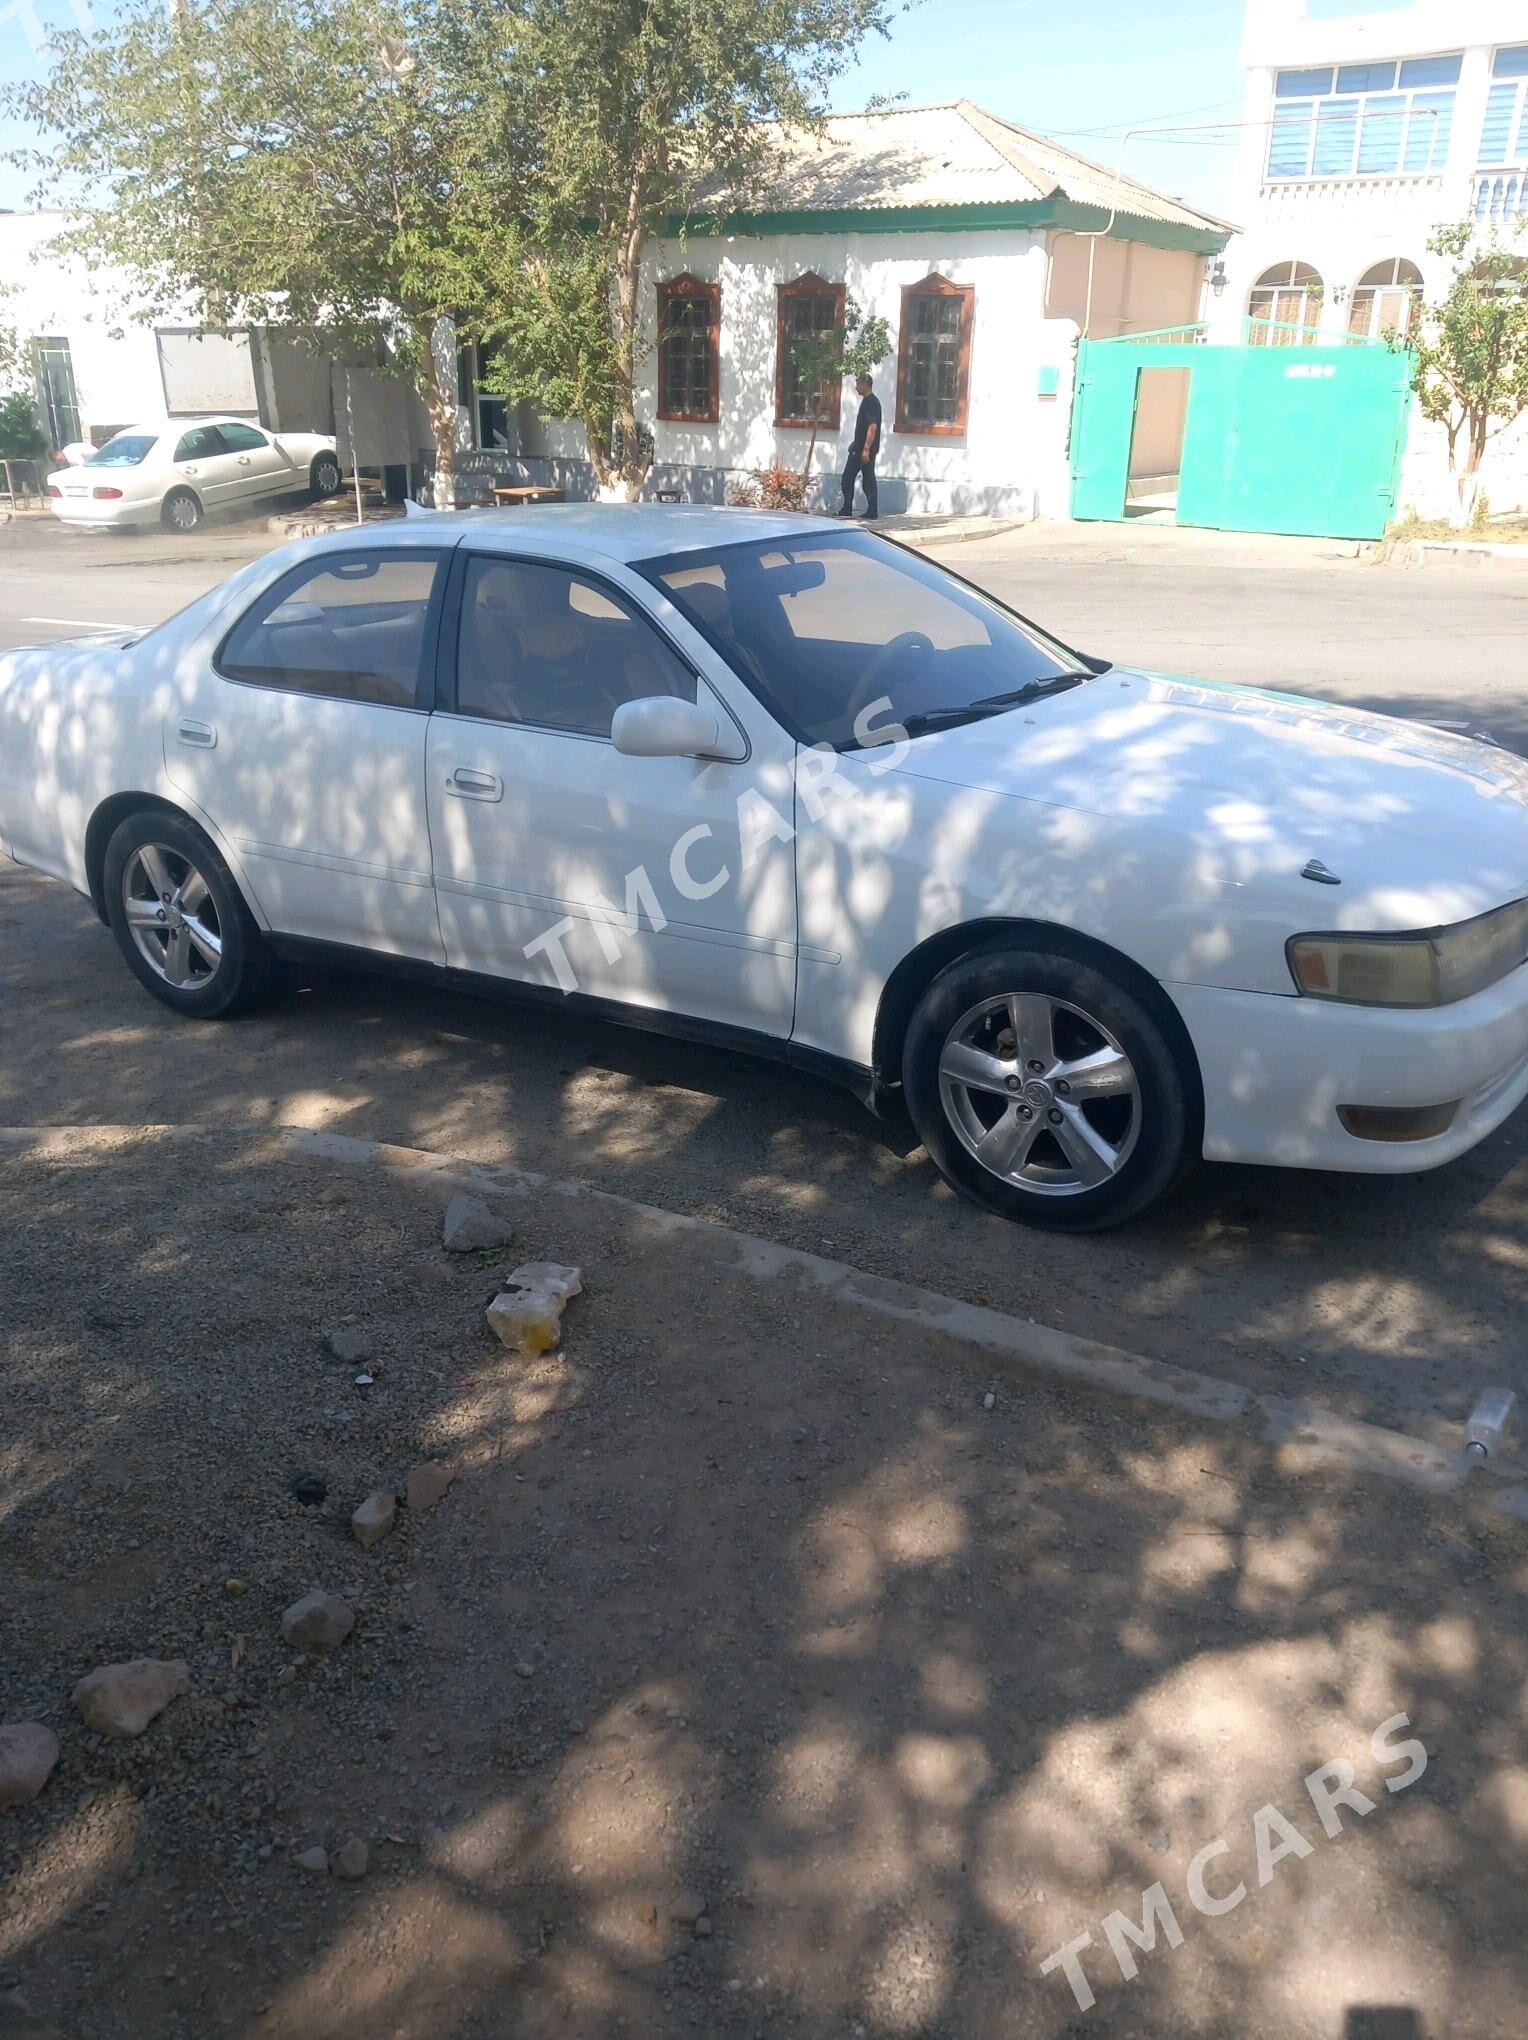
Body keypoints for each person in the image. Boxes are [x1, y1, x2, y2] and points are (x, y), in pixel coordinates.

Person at [839, 373, 881, 520]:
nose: (856, 388)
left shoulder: (871, 402)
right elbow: (864, 428)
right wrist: (855, 443)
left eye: (858, 384)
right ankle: (870, 510)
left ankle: (849, 508)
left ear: (865, 384)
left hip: (863, 451)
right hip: (860, 447)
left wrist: (865, 449)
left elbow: (872, 427)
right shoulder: (868, 401)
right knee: (868, 478)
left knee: (848, 478)